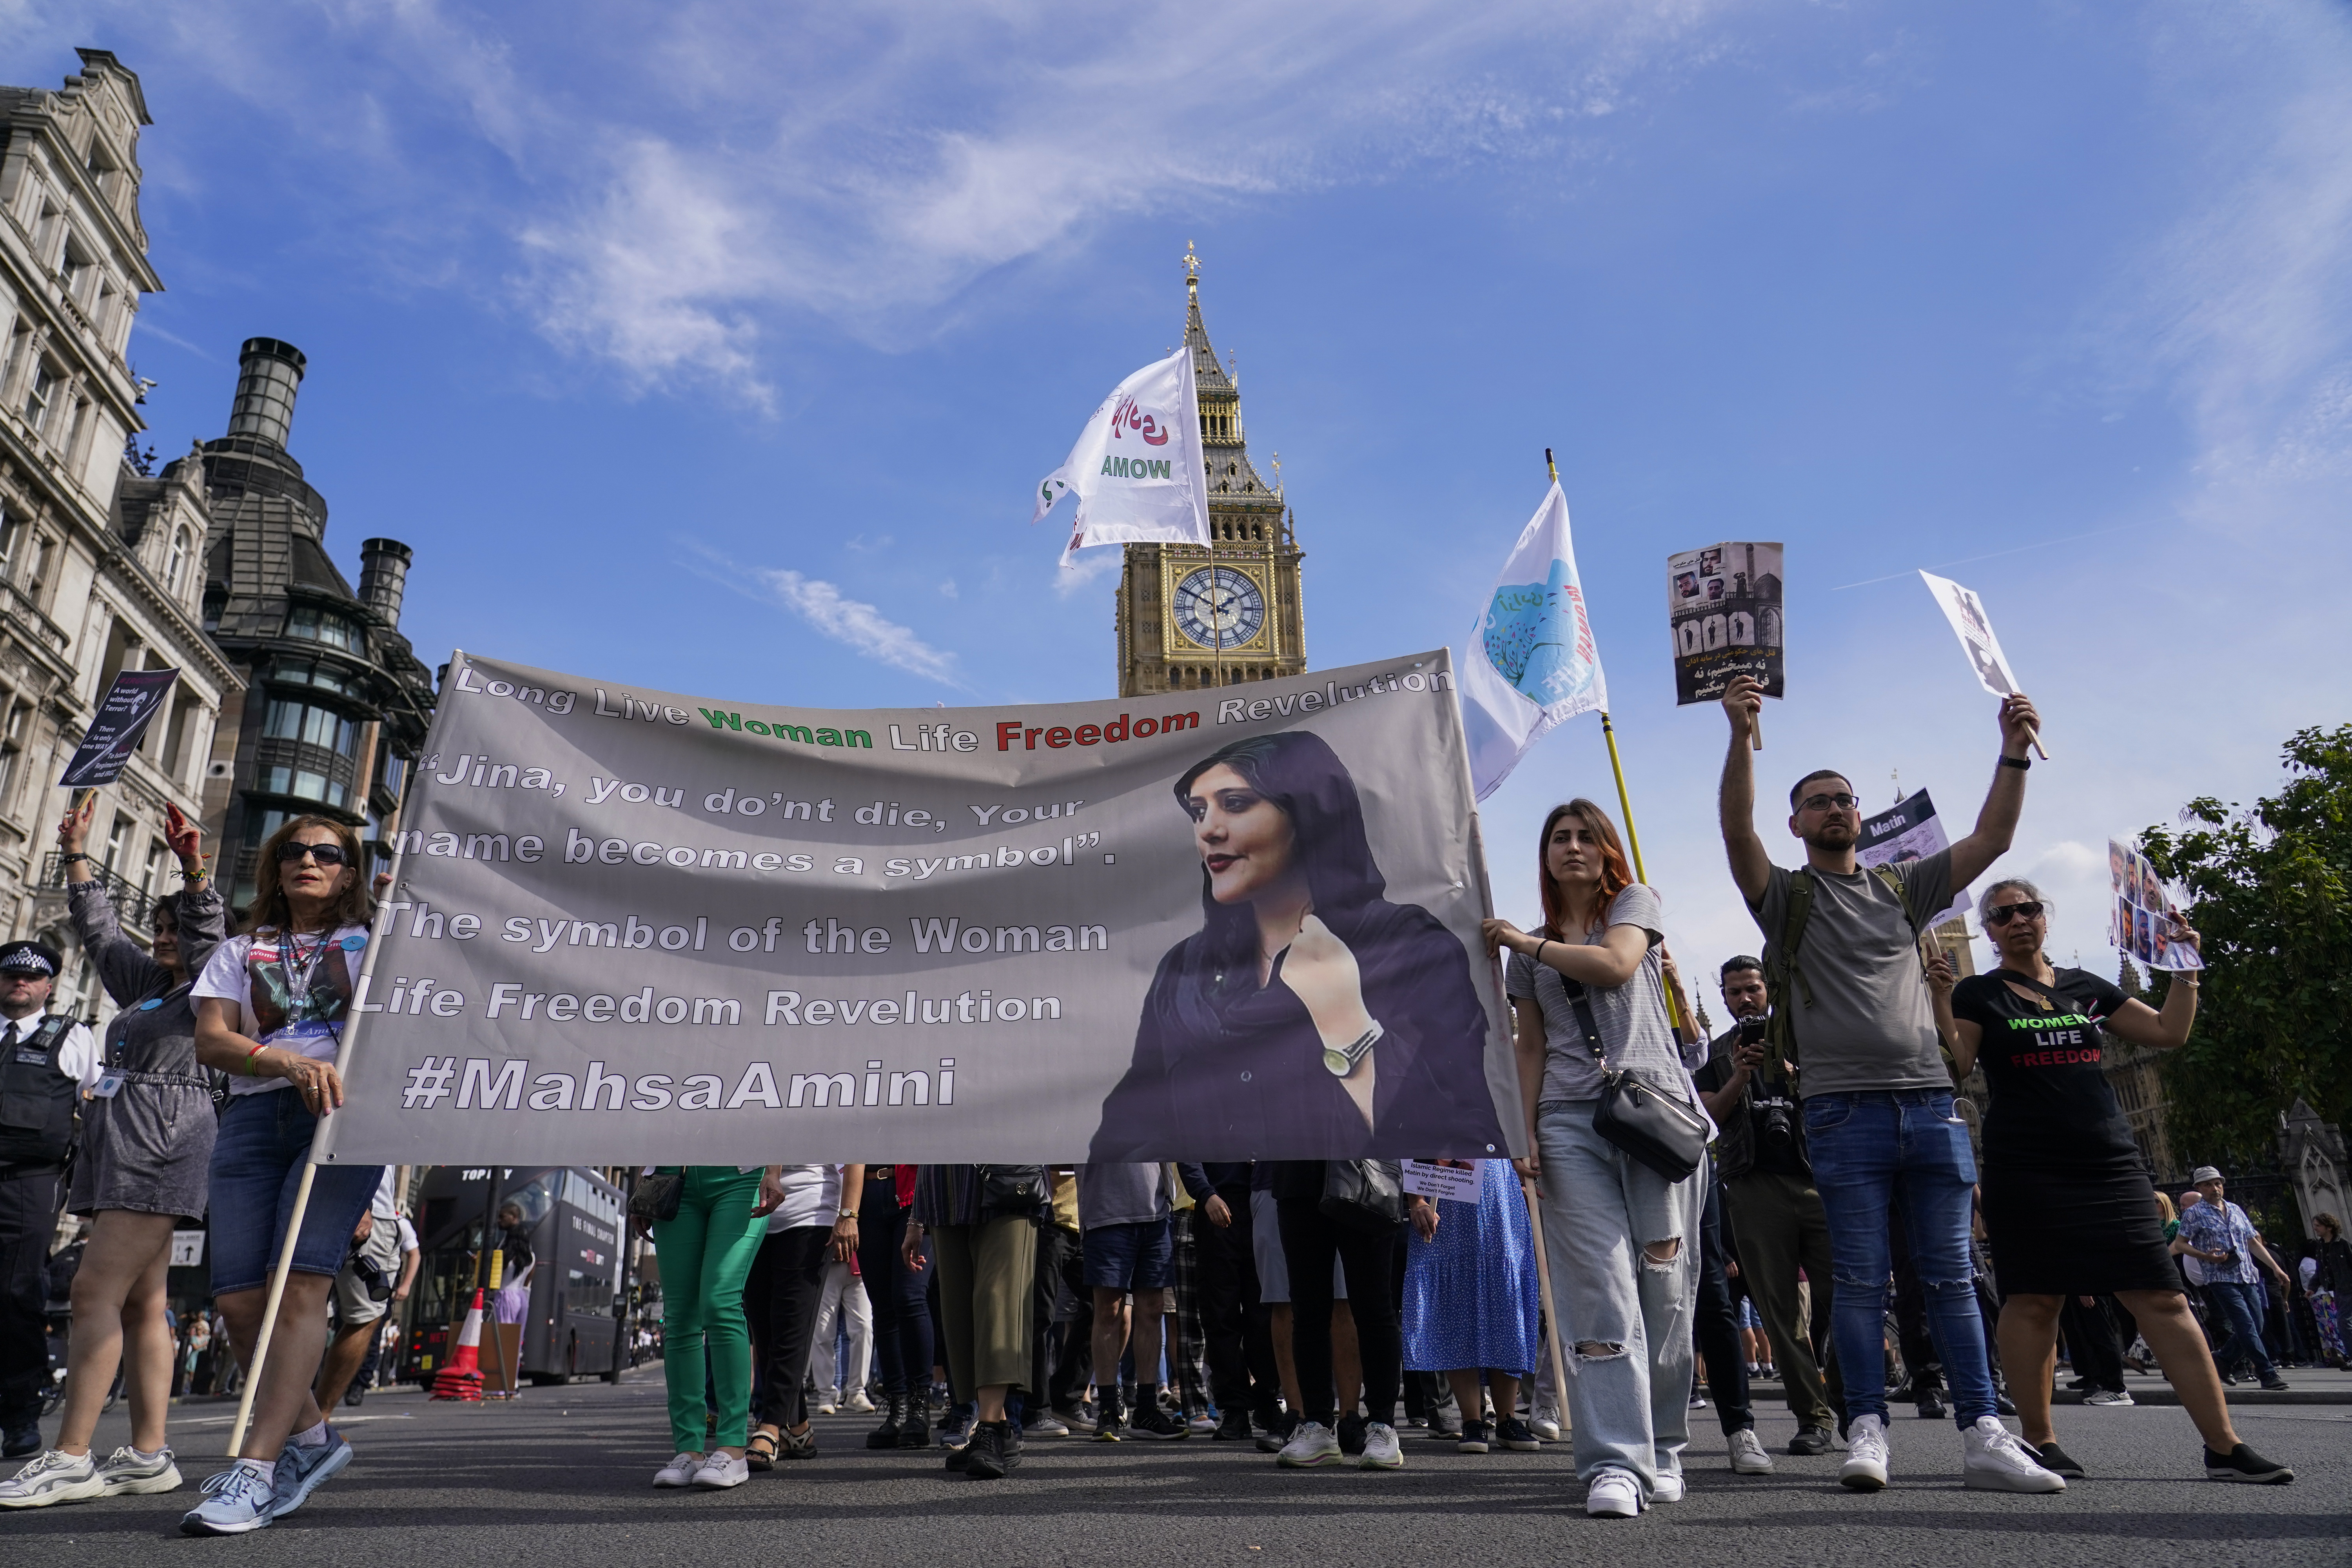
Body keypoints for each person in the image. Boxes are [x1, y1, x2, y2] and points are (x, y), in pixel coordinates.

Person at [1715, 672, 2058, 1495]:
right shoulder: (1788, 894)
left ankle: (1983, 1428)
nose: (1836, 809)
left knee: (1950, 1274)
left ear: (1859, 816)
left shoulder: (1907, 886)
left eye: (1845, 799)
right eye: (1819, 801)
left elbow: (1994, 838)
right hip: (1840, 1110)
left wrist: (2012, 753)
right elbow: (1735, 831)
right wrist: (1739, 736)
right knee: (1861, 1279)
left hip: (1932, 1103)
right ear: (1797, 822)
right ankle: (1865, 1425)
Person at [1938, 881, 2292, 1483]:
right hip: (2025, 1162)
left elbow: (2168, 1033)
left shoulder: (2086, 987)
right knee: (2034, 1299)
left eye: (2029, 909)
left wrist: (2186, 969)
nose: (2019, 920)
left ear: (2044, 919)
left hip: (2108, 1159)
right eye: (2003, 915)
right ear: (1988, 931)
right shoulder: (1978, 991)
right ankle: (2041, 1441)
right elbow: (1958, 1066)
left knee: (2161, 1295)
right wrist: (1939, 996)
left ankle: (2224, 1446)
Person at [1092, 731, 1505, 1161]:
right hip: (1226, 1219)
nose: (1208, 830)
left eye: (1235, 804)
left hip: (1359, 1217)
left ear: (1308, 813)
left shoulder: (1406, 946)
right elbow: (1125, 1132)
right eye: (1199, 812)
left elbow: (1467, 1129)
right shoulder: (1184, 970)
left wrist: (1345, 1021)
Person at [1485, 798, 1703, 1517]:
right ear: (1544, 855)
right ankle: (1615, 1462)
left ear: (1608, 849)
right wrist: (1524, 1135)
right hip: (1569, 1122)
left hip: (1653, 1116)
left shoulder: (1634, 905)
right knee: (1598, 1292)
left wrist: (1524, 942)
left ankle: (1665, 1446)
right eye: (1559, 838)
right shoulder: (1530, 951)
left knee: (1664, 1289)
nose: (1573, 847)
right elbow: (1530, 1045)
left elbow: (1615, 965)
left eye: (1586, 836)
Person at [0, 799, 215, 1507]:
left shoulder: (217, 985)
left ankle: (69, 1455)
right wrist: (76, 853)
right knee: (143, 1302)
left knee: (93, 1291)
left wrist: (192, 869)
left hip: (161, 1139)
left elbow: (207, 930)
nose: (162, 938)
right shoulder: (153, 988)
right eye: (155, 927)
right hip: (125, 1140)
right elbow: (96, 932)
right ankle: (149, 1453)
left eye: (172, 928)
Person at [180, 815, 385, 1534]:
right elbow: (213, 1039)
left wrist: (407, 919)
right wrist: (286, 1062)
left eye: (328, 853)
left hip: (338, 1123)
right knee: (239, 1305)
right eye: (294, 850)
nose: (309, 860)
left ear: (351, 873)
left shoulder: (376, 942)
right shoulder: (242, 949)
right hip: (249, 1119)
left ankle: (257, 1469)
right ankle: (313, 1440)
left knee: (301, 1283)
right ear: (276, 866)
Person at [1694, 955, 1840, 1456]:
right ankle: (1814, 1416)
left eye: (1753, 988)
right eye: (1734, 992)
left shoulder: (1807, 1036)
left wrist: (1797, 1075)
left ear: (1768, 989)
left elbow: (1837, 1098)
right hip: (1753, 1186)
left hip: (1818, 1178)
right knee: (1780, 1312)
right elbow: (1708, 1119)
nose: (1745, 999)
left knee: (1844, 1299)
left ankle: (1849, 1398)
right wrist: (1740, 1074)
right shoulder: (1716, 1053)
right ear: (1725, 998)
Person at [0, 936, 98, 1463]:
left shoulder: (72, 1036)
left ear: (48, 986)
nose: (21, 982)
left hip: (29, 1183)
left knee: (17, 1294)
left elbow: (99, 1108)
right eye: (11, 974)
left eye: (32, 977)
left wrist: (93, 1193)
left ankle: (18, 1416)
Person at [641, 1164, 786, 1491]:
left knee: (720, 1302)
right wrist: (645, 1180)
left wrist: (773, 1170)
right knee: (680, 1316)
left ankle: (732, 1449)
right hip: (671, 1174)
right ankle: (688, 1451)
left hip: (741, 1174)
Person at [1265, 1159, 1405, 1472]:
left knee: (1374, 1308)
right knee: (1307, 1309)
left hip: (1367, 1169)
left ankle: (1383, 1425)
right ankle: (1317, 1425)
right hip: (1299, 1173)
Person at [909, 1165, 1046, 1480]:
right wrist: (916, 1219)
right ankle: (999, 1429)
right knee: (959, 1313)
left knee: (998, 1303)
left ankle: (987, 1429)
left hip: (1012, 1176)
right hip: (945, 1187)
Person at [1399, 1160, 1541, 1455]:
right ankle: (1472, 1421)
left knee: (1505, 1300)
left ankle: (1507, 1418)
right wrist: (1418, 1200)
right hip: (1446, 1183)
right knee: (1455, 1306)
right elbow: (1411, 1134)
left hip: (1498, 1187)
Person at [1078, 1160, 1215, 1441]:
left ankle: (1146, 1409)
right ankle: (1107, 1409)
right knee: (1108, 1310)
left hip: (1156, 1214)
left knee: (1152, 1310)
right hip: (1105, 1211)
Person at [745, 1163, 861, 1468]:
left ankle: (770, 1425)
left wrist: (848, 1214)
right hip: (750, 1210)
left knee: (791, 1325)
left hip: (809, 1212)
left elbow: (855, 1152)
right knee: (764, 1329)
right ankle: (799, 1429)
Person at [2174, 1167, 2294, 1393]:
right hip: (2220, 1278)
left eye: (2218, 1183)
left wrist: (2276, 1268)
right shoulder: (2194, 1214)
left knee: (2256, 1326)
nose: (2215, 1188)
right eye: (2208, 1185)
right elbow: (2181, 1244)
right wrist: (2206, 1256)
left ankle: (2222, 1359)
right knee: (2245, 1325)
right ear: (2199, 1188)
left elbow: (2253, 1243)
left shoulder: (2236, 1210)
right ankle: (2267, 1373)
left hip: (2247, 1275)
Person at [314, 1171, 407, 1412]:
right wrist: (363, 1202)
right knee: (364, 1318)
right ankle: (317, 1421)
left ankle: (300, 1420)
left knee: (303, 1311)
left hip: (308, 1198)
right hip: (365, 1208)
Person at [855, 1163, 932, 1449]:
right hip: (868, 1192)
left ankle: (919, 1406)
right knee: (884, 1308)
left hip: (915, 1194)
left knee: (909, 1297)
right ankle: (898, 1407)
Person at [2310, 1214, 2350, 1367]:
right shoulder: (2321, 1246)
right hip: (2337, 1289)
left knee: (2344, 1323)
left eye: (2319, 1226)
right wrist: (2312, 1288)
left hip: (2348, 1287)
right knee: (2345, 1323)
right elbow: (2320, 1270)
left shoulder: (2342, 1245)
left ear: (2329, 1227)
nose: (2315, 1229)